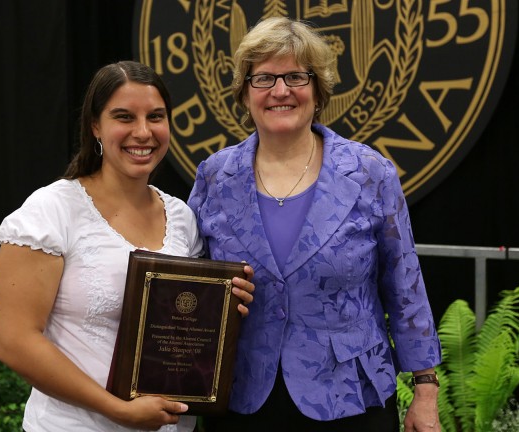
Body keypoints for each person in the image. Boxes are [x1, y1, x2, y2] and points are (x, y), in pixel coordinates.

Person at [187, 17, 441, 432]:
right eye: (264, 78)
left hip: (351, 398)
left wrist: (426, 391)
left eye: (295, 76)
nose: (280, 91)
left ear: (318, 91)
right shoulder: (214, 176)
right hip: (241, 396)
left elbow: (405, 286)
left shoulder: (369, 172)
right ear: (244, 92)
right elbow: (190, 280)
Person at [0, 60, 254, 432]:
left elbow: (187, 330)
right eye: (124, 117)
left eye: (156, 116)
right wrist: (117, 409)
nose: (143, 132)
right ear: (96, 125)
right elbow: (13, 342)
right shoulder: (51, 211)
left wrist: (226, 305)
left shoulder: (181, 217)